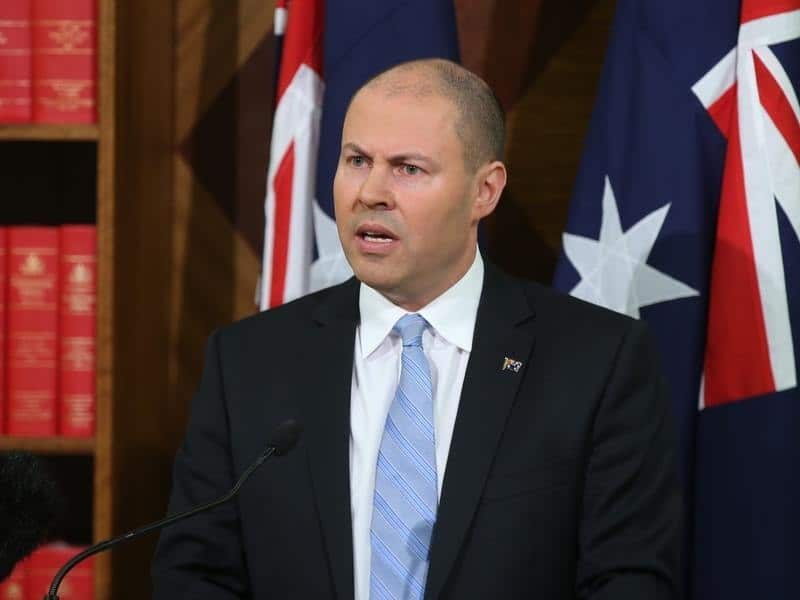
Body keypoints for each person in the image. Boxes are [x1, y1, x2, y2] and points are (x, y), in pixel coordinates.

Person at [152, 59, 681, 599]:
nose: (370, 193)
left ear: (485, 191)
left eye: (408, 169)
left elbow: (630, 578)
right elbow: (196, 576)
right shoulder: (247, 361)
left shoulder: (596, 360)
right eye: (357, 160)